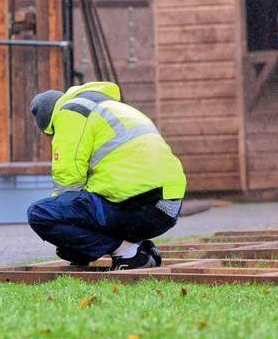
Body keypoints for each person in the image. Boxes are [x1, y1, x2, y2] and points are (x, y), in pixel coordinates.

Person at [26, 81, 187, 271]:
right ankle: (141, 249)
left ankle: (128, 253)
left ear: (50, 124)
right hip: (167, 209)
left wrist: (72, 238)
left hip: (138, 206)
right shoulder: (110, 107)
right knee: (89, 205)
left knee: (41, 214)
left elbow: (68, 183)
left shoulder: (71, 112)